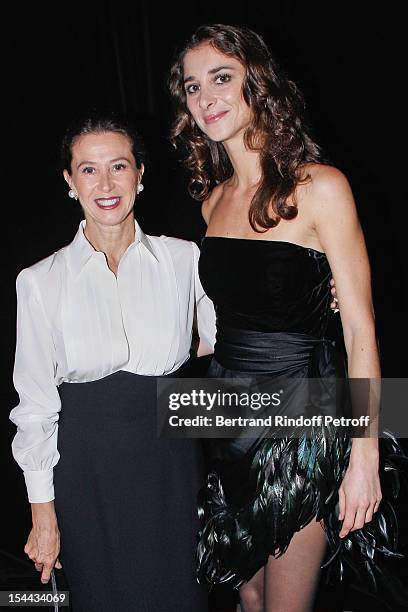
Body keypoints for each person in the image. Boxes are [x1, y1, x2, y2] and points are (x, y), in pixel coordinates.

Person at [168, 24, 406, 612]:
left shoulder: (322, 187)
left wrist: (365, 454)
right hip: (227, 415)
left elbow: (360, 329)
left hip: (304, 421)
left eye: (222, 78)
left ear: (259, 83)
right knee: (245, 592)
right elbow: (220, 325)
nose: (207, 98)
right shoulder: (211, 200)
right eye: (193, 87)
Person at [9, 114, 216, 611]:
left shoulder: (184, 259)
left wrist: (323, 292)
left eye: (118, 166)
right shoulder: (39, 281)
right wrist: (43, 513)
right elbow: (35, 407)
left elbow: (233, 335)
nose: (105, 184)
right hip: (87, 474)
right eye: (88, 170)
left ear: (140, 173)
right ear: (69, 180)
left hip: (173, 469)